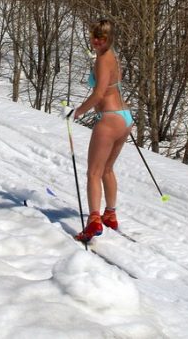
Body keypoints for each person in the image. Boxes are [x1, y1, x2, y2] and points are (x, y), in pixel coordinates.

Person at [63, 19, 134, 242]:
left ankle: (94, 221)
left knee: (93, 173)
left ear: (109, 39)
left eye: (100, 38)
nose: (95, 41)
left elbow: (99, 94)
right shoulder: (111, 55)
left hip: (109, 119)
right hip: (124, 118)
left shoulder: (103, 60)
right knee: (107, 170)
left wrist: (77, 112)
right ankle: (110, 215)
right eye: (93, 36)